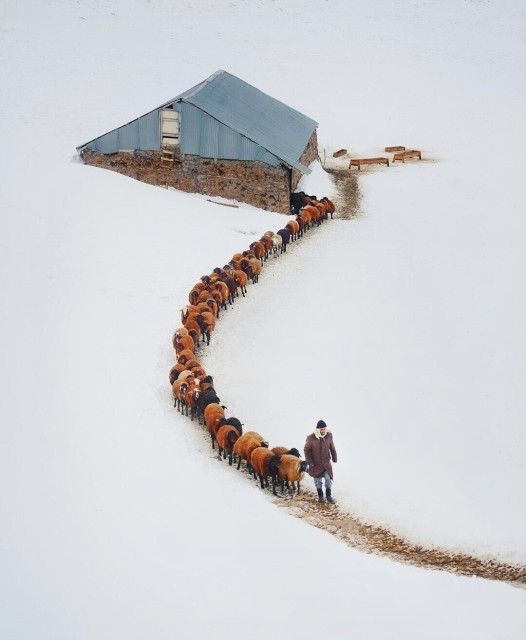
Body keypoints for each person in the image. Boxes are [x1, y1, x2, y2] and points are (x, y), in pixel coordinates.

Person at [304, 420, 338, 504]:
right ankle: (320, 496)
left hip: (326, 463)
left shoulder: (329, 436)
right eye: (321, 429)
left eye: (324, 429)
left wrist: (334, 457)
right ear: (318, 430)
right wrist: (310, 462)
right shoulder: (311, 438)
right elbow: (306, 450)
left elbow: (332, 448)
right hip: (316, 464)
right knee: (318, 482)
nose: (323, 431)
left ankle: (329, 496)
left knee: (328, 479)